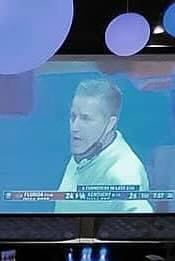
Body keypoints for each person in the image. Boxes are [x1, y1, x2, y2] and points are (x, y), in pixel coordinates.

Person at [56, 78, 152, 213]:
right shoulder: (86, 150)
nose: (74, 127)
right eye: (73, 116)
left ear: (110, 124)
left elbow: (143, 228)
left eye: (85, 118)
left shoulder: (124, 174)